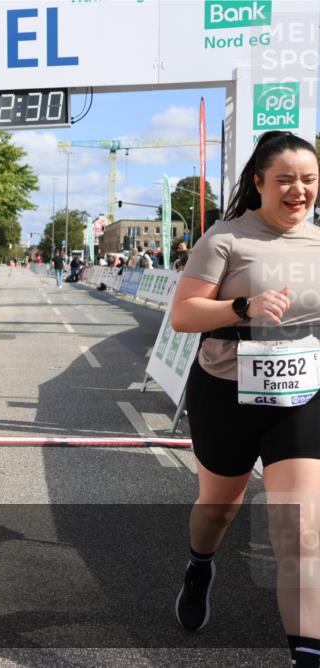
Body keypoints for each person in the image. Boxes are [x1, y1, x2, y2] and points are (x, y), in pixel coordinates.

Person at [170, 130, 320, 667]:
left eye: (308, 180)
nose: (298, 190)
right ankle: (199, 564)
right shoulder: (226, 239)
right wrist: (243, 306)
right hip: (226, 392)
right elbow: (184, 315)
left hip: (300, 398)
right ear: (258, 183)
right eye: (285, 179)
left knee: (301, 532)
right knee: (218, 509)